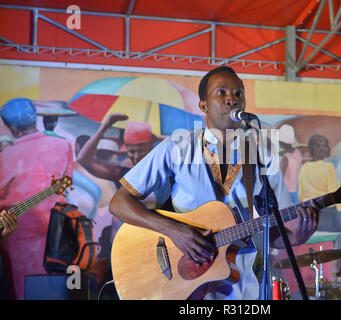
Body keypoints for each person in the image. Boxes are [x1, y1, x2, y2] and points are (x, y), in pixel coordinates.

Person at [109, 66, 321, 300]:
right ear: (204, 105)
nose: (232, 99)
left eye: (239, 93)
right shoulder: (178, 147)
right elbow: (119, 202)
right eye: (222, 92)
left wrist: (296, 238)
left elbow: (272, 232)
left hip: (243, 288)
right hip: (186, 289)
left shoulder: (262, 157)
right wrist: (175, 231)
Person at [0, 97, 73, 299]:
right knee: (53, 288)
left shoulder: (6, 157)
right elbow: (66, 184)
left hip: (17, 237)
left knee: (21, 290)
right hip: (56, 233)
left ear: (9, 126)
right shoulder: (64, 146)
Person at [298, 134, 341, 232]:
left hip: (309, 213)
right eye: (325, 145)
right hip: (327, 214)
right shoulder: (328, 167)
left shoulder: (304, 168)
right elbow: (334, 193)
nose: (329, 148)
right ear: (316, 148)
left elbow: (301, 194)